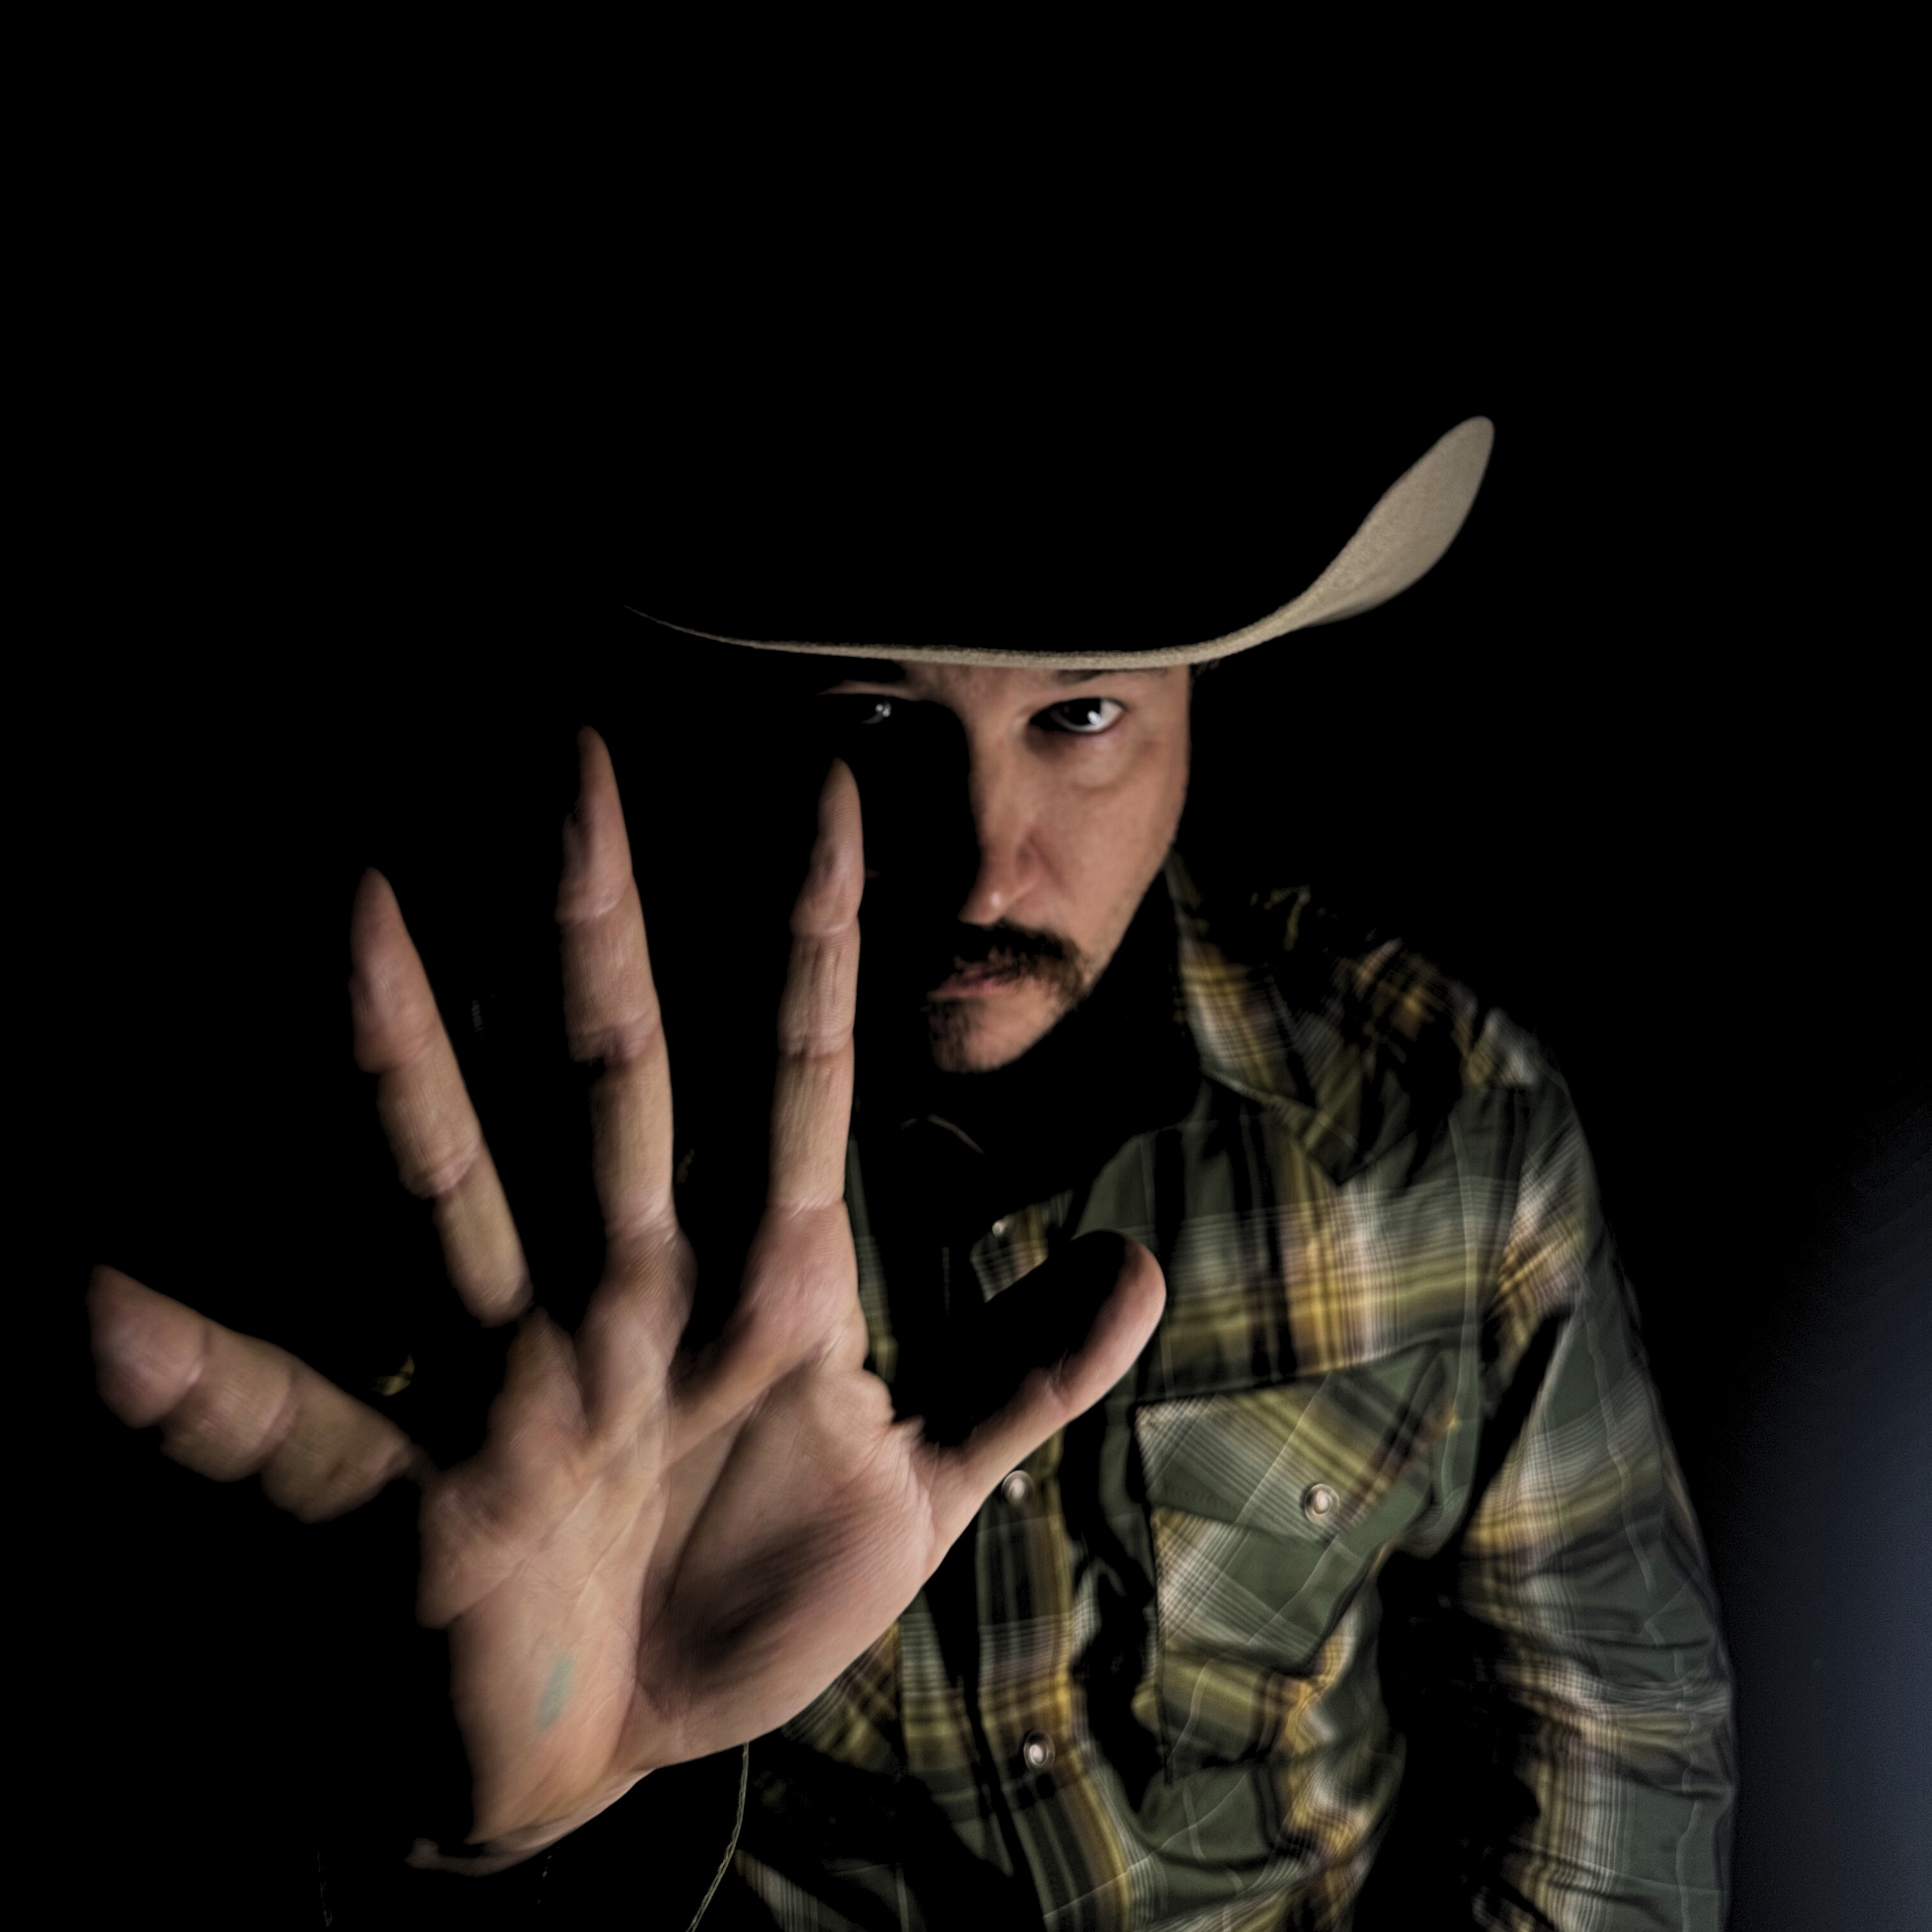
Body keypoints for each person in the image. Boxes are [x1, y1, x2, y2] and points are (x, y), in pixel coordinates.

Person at [86, 412, 1736, 1928]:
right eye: (878, 720)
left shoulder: (1436, 1121)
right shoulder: (522, 1230)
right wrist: (487, 1849)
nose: (979, 856)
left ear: (1191, 711)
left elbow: (1618, 1740)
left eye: (1079, 715)